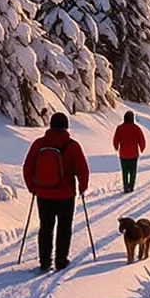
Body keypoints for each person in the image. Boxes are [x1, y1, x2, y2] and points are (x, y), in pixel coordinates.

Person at [22, 113, 91, 270]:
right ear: (66, 126)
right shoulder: (72, 145)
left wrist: (32, 187)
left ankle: (44, 261)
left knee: (45, 227)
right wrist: (82, 186)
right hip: (66, 194)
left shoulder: (39, 144)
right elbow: (82, 169)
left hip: (43, 193)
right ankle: (61, 260)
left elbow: (28, 167)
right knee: (64, 227)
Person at [113, 109, 147, 192]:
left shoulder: (120, 128)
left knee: (125, 171)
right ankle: (131, 186)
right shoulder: (136, 128)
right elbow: (141, 139)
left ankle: (125, 186)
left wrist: (116, 147)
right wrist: (142, 148)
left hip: (123, 154)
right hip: (133, 154)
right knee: (133, 171)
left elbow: (116, 139)